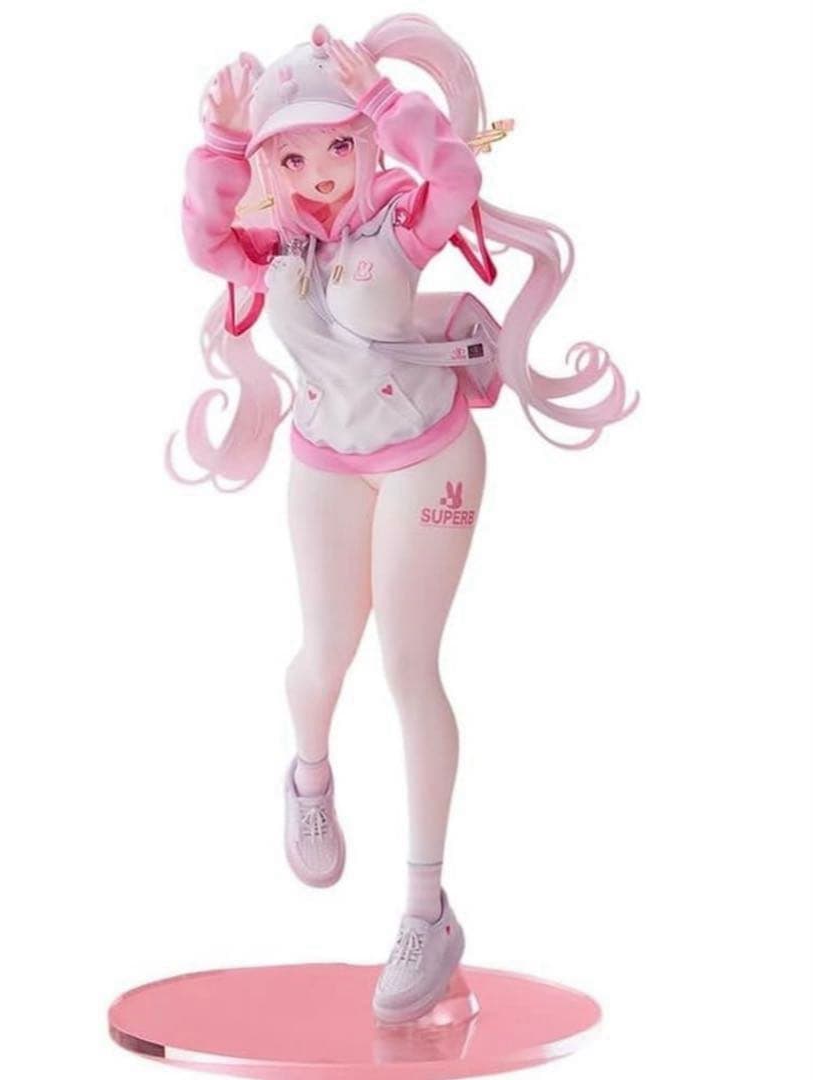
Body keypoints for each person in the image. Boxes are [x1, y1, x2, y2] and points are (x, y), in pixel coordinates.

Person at [175, 14, 637, 1024]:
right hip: (323, 461)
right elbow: (205, 241)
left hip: (430, 455)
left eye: (336, 147)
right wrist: (218, 143)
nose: (318, 174)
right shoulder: (275, 249)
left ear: (364, 141)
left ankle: (427, 912)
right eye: (290, 156)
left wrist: (386, 101)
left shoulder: (400, 222)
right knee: (322, 657)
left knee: (407, 667)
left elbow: (456, 180)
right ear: (269, 166)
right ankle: (308, 776)